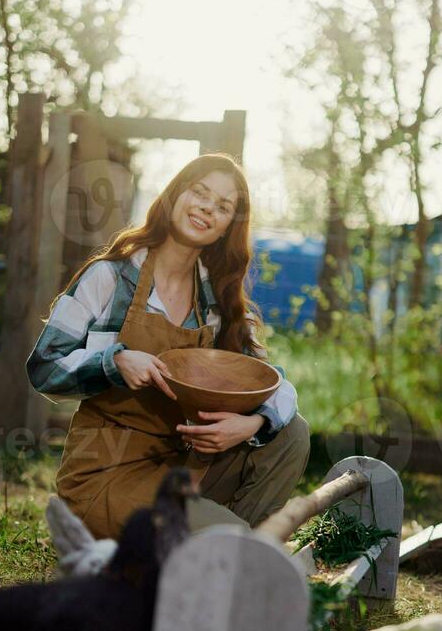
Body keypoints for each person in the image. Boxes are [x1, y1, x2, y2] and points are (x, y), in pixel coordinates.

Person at [26, 153, 310, 539]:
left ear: (228, 227)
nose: (208, 208)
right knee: (225, 536)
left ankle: (230, 548)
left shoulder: (219, 304)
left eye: (223, 207)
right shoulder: (109, 278)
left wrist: (251, 423)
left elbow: (275, 385)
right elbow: (44, 366)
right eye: (200, 192)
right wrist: (114, 361)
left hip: (184, 468)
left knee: (291, 433)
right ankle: (226, 548)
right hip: (106, 475)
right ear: (176, 194)